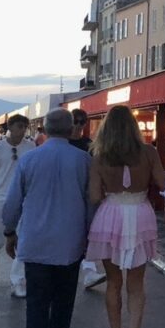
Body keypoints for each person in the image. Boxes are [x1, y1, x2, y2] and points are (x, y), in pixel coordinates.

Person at [2, 108, 91, 328]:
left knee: (37, 304)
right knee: (63, 302)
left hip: (36, 242)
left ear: (46, 129)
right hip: (70, 244)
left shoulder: (29, 160)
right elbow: (92, 203)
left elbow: (13, 201)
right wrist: (89, 235)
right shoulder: (83, 161)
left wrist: (9, 231)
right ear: (71, 130)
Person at [85, 105, 165, 328]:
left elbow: (95, 196)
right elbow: (162, 184)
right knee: (136, 285)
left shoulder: (99, 156)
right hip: (140, 214)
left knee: (113, 284)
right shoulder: (149, 152)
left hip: (110, 216)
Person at [0, 115, 36, 297]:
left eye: (25, 126)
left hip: (24, 201)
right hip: (1, 200)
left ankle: (17, 280)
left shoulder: (31, 147)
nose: (23, 129)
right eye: (20, 126)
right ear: (10, 126)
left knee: (23, 241)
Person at [67, 109, 109, 290]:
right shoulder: (63, 144)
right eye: (75, 121)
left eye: (82, 122)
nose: (78, 125)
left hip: (87, 193)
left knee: (88, 232)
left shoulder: (89, 145)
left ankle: (89, 270)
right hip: (67, 194)